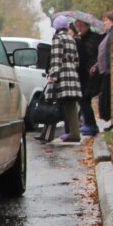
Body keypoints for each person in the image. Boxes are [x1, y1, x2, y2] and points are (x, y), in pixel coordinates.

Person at [40, 15, 83, 144]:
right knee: (69, 103)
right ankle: (49, 133)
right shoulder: (71, 39)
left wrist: (53, 76)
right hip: (72, 73)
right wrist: (72, 69)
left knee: (55, 102)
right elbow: (77, 60)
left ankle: (72, 134)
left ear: (56, 27)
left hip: (61, 73)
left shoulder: (58, 38)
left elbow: (56, 59)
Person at [91, 11, 113, 129]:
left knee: (110, 97)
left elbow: (111, 52)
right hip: (107, 71)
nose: (104, 23)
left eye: (106, 21)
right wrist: (97, 65)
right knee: (108, 96)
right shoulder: (110, 33)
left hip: (111, 71)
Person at [73, 17, 103, 136]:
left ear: (87, 26)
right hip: (83, 73)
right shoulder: (81, 38)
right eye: (77, 26)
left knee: (84, 98)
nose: (79, 28)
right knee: (83, 99)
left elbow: (87, 54)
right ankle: (89, 123)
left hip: (91, 72)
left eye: (81, 26)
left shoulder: (94, 38)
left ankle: (91, 125)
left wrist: (79, 42)